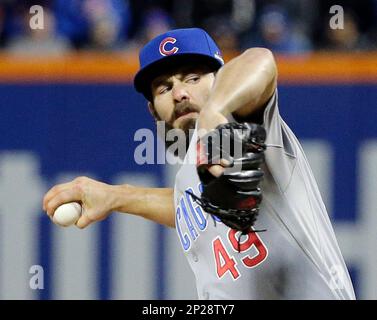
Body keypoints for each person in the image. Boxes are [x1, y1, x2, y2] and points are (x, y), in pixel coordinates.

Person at [43, 28, 356, 300]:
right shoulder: (192, 174)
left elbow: (260, 60)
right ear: (154, 111)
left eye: (193, 77)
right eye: (164, 87)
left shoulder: (244, 123)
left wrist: (213, 113)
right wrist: (117, 197)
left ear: (219, 79)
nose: (180, 93)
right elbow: (191, 205)